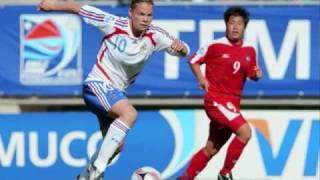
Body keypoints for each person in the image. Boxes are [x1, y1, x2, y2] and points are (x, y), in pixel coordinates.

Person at [38, 0, 189, 179]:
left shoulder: (155, 35)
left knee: (116, 147)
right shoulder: (112, 23)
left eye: (149, 15)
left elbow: (183, 49)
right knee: (129, 114)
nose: (145, 19)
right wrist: (52, 5)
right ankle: (98, 169)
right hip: (96, 85)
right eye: (141, 14)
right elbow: (80, 9)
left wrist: (181, 50)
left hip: (115, 94)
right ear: (130, 13)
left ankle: (84, 177)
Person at [179, 7, 262, 180]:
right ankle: (225, 174)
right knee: (245, 132)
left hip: (232, 104)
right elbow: (193, 60)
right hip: (216, 100)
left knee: (210, 150)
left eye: (239, 23)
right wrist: (201, 79)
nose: (235, 27)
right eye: (231, 23)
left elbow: (252, 73)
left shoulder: (250, 50)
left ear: (244, 27)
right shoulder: (215, 45)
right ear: (226, 25)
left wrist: (256, 75)